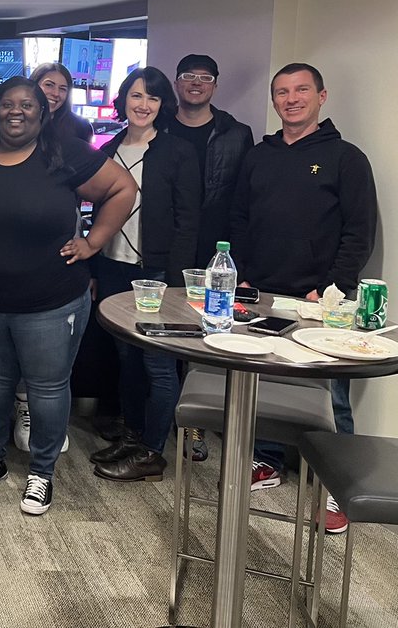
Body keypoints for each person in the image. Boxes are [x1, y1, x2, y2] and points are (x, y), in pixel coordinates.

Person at [0, 77, 135, 514]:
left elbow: (123, 189)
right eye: (7, 104)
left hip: (51, 301)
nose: (17, 111)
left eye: (26, 105)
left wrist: (94, 241)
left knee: (47, 388)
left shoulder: (64, 153)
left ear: (41, 112)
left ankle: (41, 472)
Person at [231, 62, 377, 533]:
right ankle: (268, 459)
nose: (291, 99)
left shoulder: (345, 158)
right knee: (267, 383)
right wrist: (243, 275)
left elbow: (359, 233)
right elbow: (240, 220)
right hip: (262, 293)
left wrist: (333, 287)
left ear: (321, 96)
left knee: (330, 392)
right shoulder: (258, 155)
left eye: (301, 90)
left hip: (322, 299)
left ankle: (339, 484)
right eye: (281, 92)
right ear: (274, 100)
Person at [89, 67, 200, 483]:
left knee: (158, 363)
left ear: (161, 105)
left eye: (152, 98)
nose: (143, 105)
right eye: (136, 96)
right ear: (123, 100)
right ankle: (132, 438)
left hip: (156, 271)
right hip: (114, 266)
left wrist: (176, 281)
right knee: (126, 357)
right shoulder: (110, 147)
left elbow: (189, 220)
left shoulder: (178, 151)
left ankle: (153, 450)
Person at [164, 54, 254, 266]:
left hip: (217, 245)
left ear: (215, 87)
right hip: (164, 241)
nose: (197, 82)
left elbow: (244, 197)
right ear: (176, 84)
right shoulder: (159, 128)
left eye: (206, 78)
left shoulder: (237, 134)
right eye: (189, 76)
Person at [31, 62, 94, 143]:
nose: (56, 93)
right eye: (49, 85)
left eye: (62, 89)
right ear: (33, 85)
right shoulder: (19, 122)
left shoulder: (81, 127)